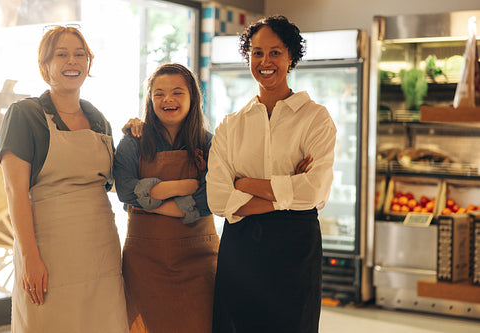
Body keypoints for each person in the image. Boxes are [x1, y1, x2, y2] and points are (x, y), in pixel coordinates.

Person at [206, 15, 337, 333]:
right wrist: (287, 191)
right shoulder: (230, 125)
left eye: (275, 52)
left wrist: (246, 184)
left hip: (295, 249)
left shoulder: (315, 119)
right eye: (257, 52)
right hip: (241, 251)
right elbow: (219, 199)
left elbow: (314, 192)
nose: (265, 61)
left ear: (291, 56)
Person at [0, 26, 128, 332]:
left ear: (89, 64)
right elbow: (14, 191)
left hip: (102, 252)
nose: (72, 61)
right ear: (45, 65)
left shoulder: (99, 119)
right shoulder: (24, 115)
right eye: (62, 54)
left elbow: (110, 184)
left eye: (79, 54)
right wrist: (30, 256)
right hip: (49, 252)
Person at [114, 63, 219, 333]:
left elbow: (210, 198)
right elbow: (124, 190)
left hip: (199, 259)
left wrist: (149, 201)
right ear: (149, 99)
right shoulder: (133, 139)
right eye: (158, 93)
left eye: (177, 92)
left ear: (192, 97)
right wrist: (182, 186)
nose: (167, 99)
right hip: (144, 263)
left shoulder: (209, 143)